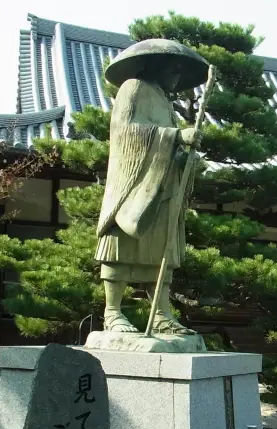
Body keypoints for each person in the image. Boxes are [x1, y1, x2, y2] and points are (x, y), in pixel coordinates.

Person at [95, 39, 209, 334]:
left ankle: (160, 313)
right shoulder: (133, 88)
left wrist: (185, 155)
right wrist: (173, 136)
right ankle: (112, 311)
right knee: (121, 246)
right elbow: (124, 131)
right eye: (173, 70)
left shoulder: (166, 102)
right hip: (133, 184)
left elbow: (174, 145)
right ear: (158, 66)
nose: (177, 78)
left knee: (160, 250)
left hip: (161, 186)